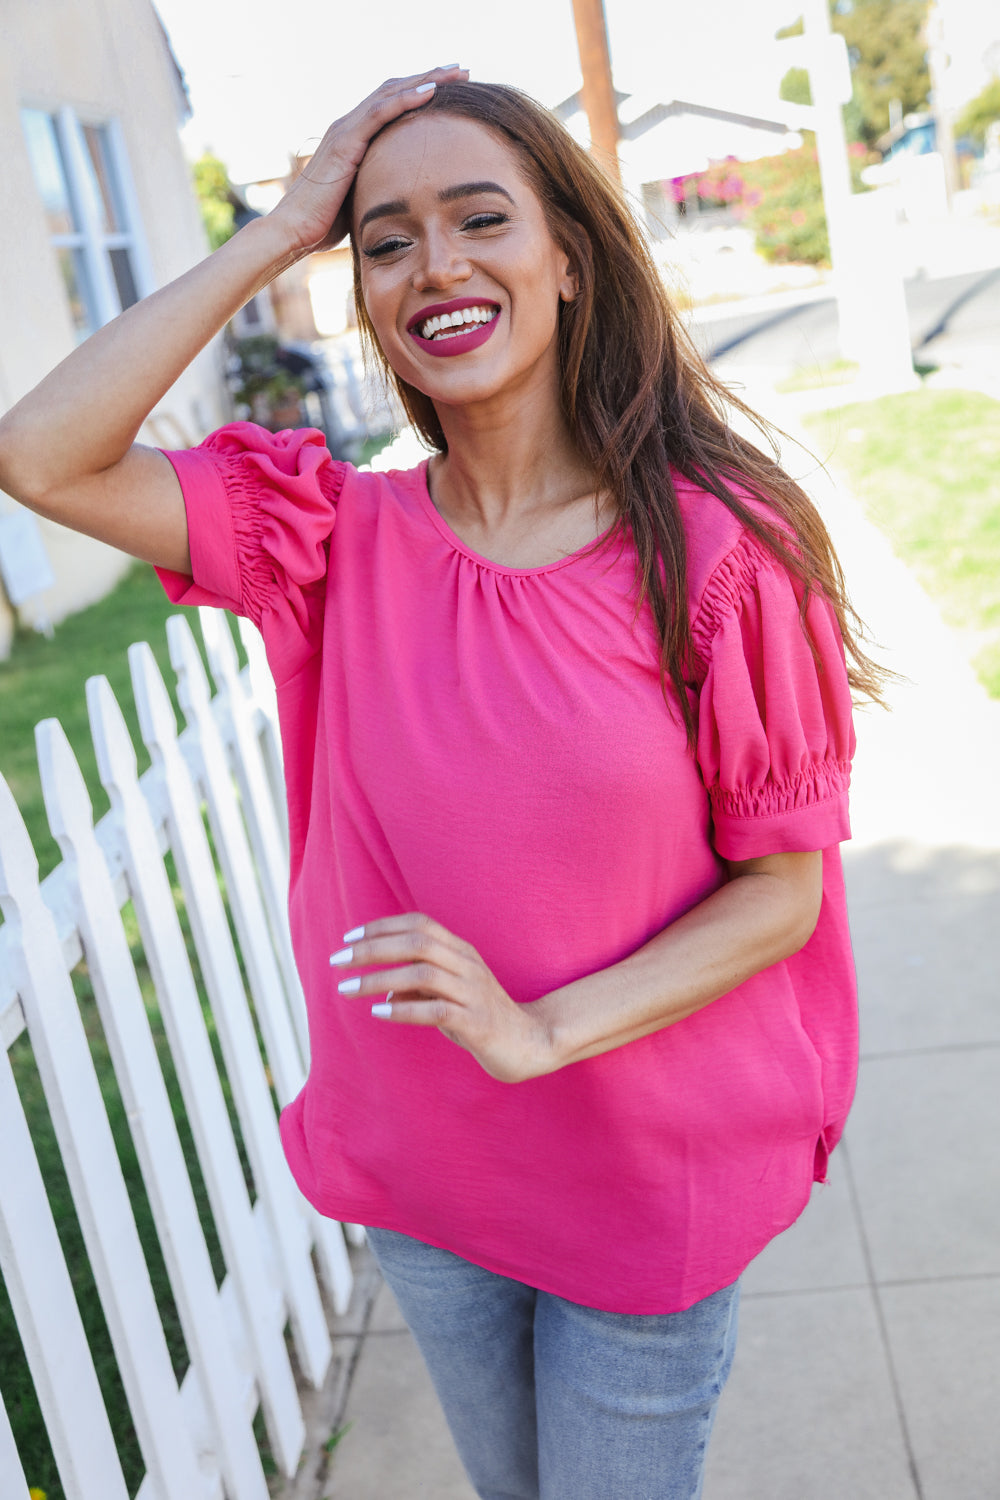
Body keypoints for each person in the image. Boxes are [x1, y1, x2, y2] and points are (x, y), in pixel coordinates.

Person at [0, 67, 883, 1500]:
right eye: (389, 238)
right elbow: (41, 453)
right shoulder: (331, 540)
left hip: (647, 1184)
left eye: (483, 219)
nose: (438, 265)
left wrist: (540, 1028)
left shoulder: (717, 551)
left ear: (571, 262)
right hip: (428, 1175)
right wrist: (284, 225)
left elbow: (782, 892)